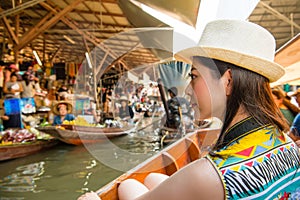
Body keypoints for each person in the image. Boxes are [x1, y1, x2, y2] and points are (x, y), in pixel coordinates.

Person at [79, 20, 300, 200]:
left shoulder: (207, 175)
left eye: (194, 76)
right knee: (152, 180)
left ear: (228, 81)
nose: (186, 90)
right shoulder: (286, 142)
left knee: (127, 186)